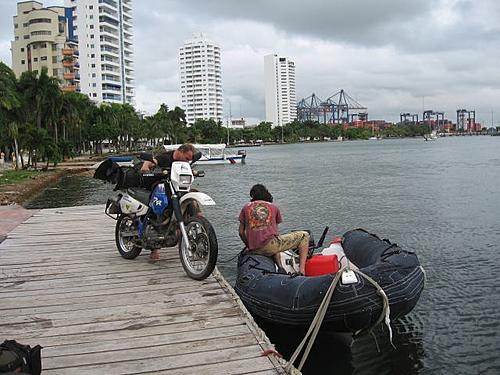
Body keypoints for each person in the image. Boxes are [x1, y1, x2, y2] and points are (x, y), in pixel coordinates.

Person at [141, 143, 200, 261]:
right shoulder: (166, 157)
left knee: (194, 195)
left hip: (177, 189)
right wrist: (146, 166)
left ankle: (197, 224)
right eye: (187, 158)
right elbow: (152, 161)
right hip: (160, 186)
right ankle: (155, 248)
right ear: (180, 151)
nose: (188, 162)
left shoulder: (184, 164)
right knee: (159, 208)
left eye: (190, 160)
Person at [238, 184, 309, 275]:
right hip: (270, 246)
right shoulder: (273, 207)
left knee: (272, 240)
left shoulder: (245, 208)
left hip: (254, 248)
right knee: (304, 236)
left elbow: (241, 232)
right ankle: (301, 271)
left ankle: (280, 267)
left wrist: (249, 246)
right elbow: (275, 233)